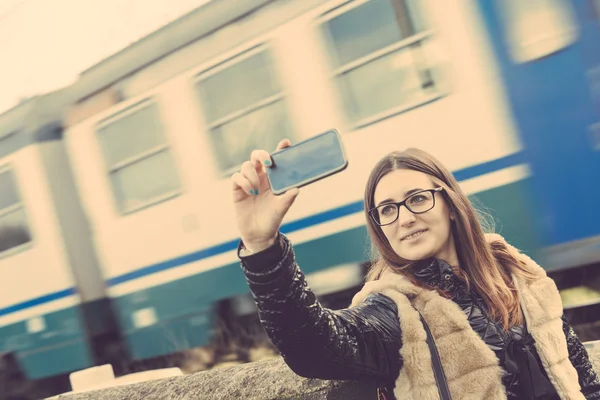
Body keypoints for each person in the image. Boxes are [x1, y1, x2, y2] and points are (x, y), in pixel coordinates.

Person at [230, 139, 600, 400]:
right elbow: (313, 347)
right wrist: (263, 247)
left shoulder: (520, 276)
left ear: (450, 204)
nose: (404, 219)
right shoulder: (394, 310)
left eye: (418, 199)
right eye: (387, 209)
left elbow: (580, 378)